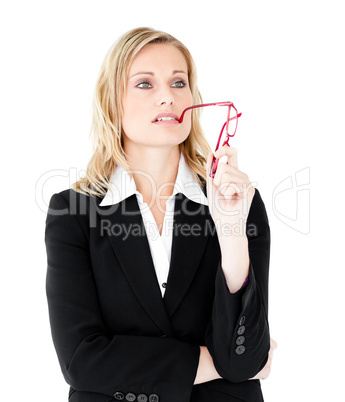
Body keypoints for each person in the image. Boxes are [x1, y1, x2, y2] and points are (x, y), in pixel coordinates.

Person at [45, 27, 277, 402]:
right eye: (144, 84)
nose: (168, 97)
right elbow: (81, 360)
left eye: (179, 82)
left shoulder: (238, 201)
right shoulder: (73, 213)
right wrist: (215, 365)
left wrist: (231, 233)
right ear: (111, 101)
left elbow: (244, 354)